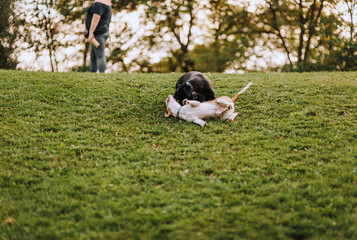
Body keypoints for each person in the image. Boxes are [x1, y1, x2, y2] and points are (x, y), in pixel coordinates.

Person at [85, 0, 112, 73]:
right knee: (93, 56)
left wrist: (91, 32)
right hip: (101, 32)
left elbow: (96, 17)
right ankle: (93, 75)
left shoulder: (99, 4)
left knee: (100, 55)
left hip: (98, 33)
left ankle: (102, 75)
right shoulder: (107, 3)